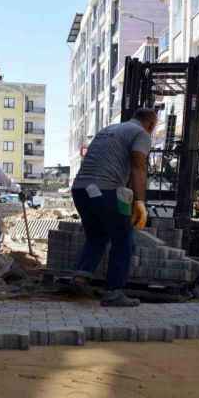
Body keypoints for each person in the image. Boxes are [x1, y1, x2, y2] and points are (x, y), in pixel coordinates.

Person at [70, 108, 155, 307]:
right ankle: (114, 292)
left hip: (81, 189)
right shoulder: (141, 134)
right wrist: (140, 202)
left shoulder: (109, 129)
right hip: (105, 190)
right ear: (150, 124)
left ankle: (80, 277)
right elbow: (138, 165)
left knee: (97, 235)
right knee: (124, 238)